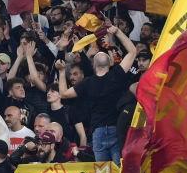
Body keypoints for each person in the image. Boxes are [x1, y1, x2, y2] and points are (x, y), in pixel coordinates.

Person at [56, 25, 138, 163]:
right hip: (116, 130)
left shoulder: (87, 83)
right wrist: (117, 32)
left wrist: (62, 72)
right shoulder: (116, 74)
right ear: (110, 62)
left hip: (98, 132)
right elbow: (132, 51)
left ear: (94, 65)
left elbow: (63, 94)